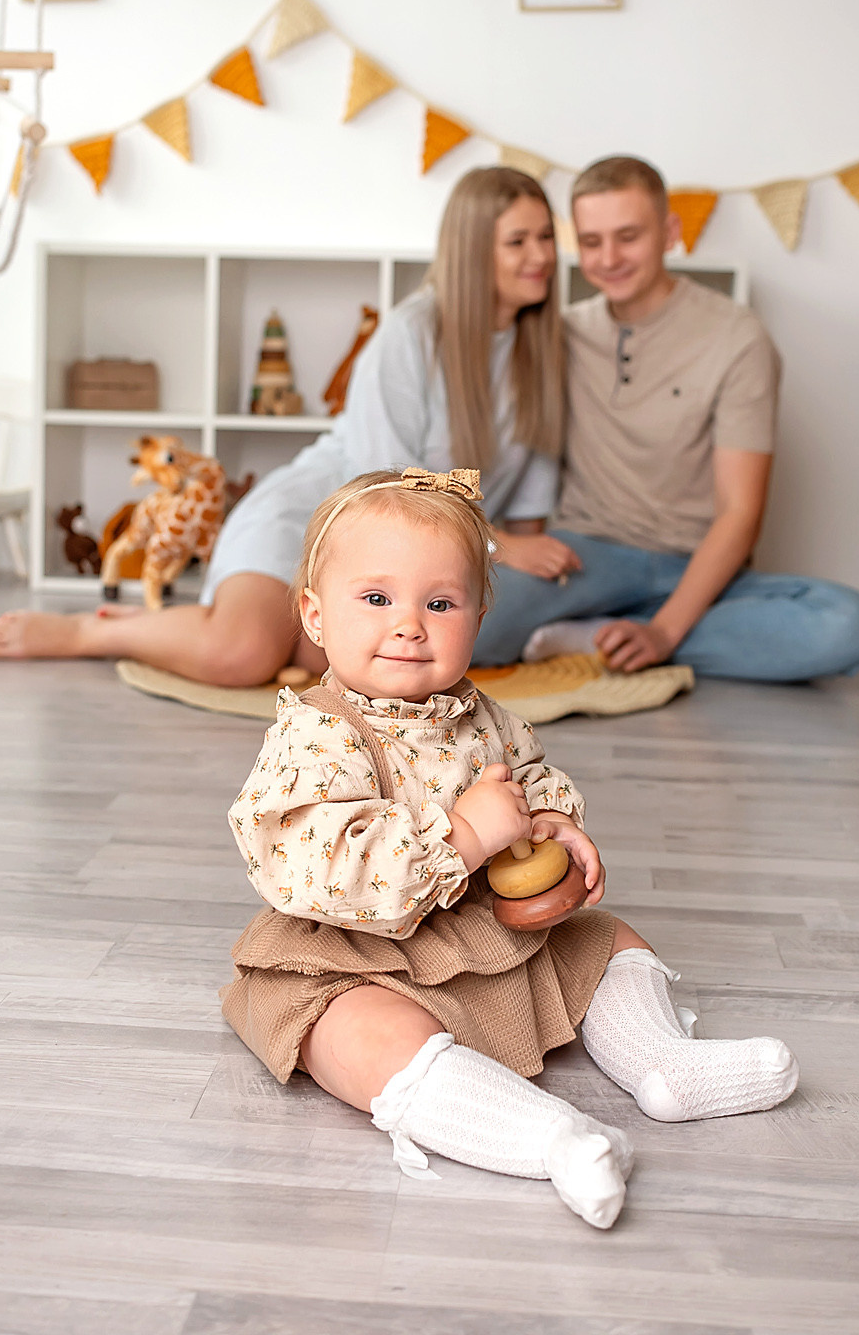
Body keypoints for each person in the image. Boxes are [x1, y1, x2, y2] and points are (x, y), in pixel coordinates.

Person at [223, 468, 800, 1229]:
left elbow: (532, 778)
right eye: (376, 599)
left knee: (606, 938)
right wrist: (463, 837)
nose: (409, 625)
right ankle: (550, 1137)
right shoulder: (316, 736)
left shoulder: (481, 715)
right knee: (356, 1035)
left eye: (440, 603)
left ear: (479, 614)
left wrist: (554, 825)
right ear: (315, 614)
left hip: (481, 922)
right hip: (354, 949)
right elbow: (319, 865)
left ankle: (665, 1062)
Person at [0, 167, 578, 681]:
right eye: (518, 241)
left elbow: (528, 509)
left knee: (339, 657)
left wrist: (513, 552)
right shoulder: (411, 334)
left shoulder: (543, 352)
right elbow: (385, 486)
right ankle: (96, 631)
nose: (542, 257)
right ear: (473, 250)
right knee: (241, 656)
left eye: (547, 237)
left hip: (405, 560)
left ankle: (196, 625)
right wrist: (499, 544)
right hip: (322, 513)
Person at [474, 155, 859, 680]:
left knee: (851, 625)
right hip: (585, 558)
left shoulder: (737, 338)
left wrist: (666, 629)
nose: (610, 258)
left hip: (697, 564)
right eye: (592, 241)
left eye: (629, 236)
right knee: (463, 622)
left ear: (670, 232)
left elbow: (741, 512)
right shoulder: (559, 333)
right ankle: (620, 627)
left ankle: (605, 634)